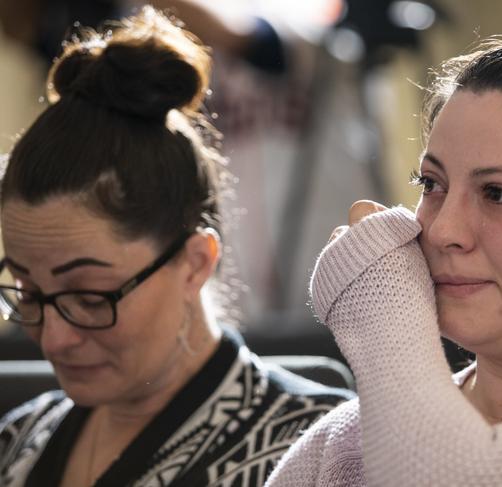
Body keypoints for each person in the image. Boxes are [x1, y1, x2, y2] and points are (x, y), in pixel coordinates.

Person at [265, 31, 502, 486]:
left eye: (499, 193)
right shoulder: (345, 441)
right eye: (431, 184)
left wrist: (383, 308)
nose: (443, 230)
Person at [0, 7, 353, 487]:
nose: (53, 340)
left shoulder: (318, 451)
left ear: (195, 262)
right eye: (28, 294)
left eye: (89, 297)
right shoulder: (19, 438)